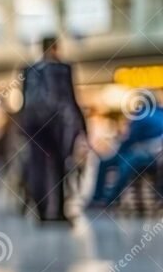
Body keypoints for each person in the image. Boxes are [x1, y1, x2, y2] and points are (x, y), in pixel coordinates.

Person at [21, 36, 87, 222]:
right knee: (58, 164)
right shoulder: (63, 69)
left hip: (33, 124)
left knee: (37, 165)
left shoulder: (29, 70)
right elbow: (72, 99)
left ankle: (41, 211)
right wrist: (83, 127)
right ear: (56, 48)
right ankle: (58, 211)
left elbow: (23, 102)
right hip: (57, 122)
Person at [90, 89, 163, 207]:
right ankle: (109, 198)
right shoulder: (160, 113)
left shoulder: (142, 115)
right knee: (125, 161)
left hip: (145, 156)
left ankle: (106, 198)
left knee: (118, 164)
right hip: (158, 159)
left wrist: (118, 153)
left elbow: (129, 140)